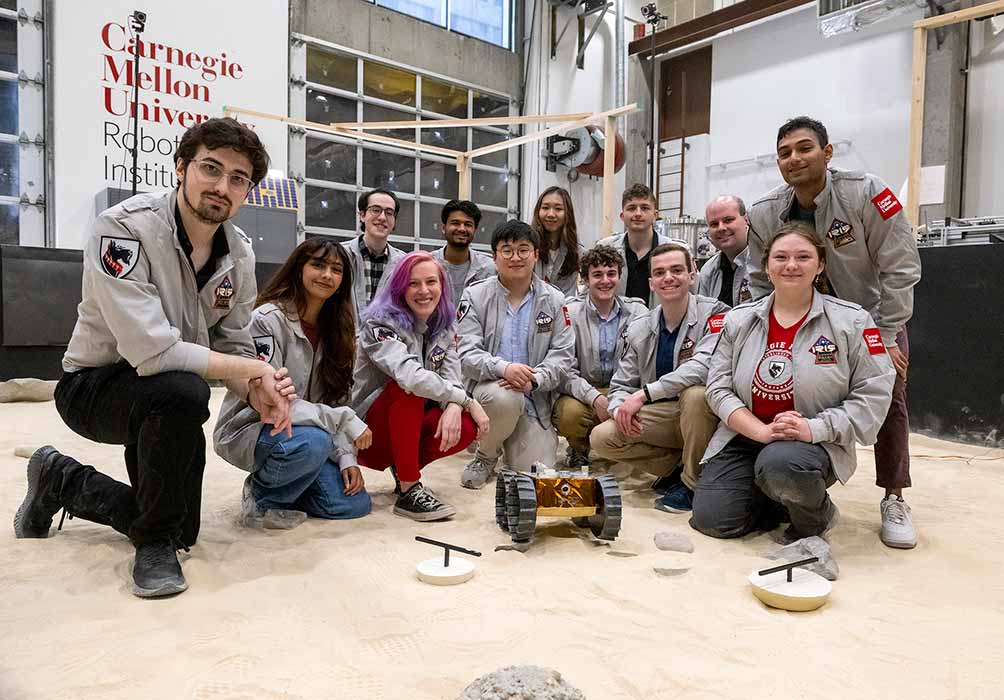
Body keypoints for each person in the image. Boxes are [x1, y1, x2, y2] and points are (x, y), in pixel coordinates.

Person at [13, 118, 296, 598]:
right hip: (94, 387)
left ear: (247, 191)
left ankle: (61, 479)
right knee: (184, 391)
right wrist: (248, 370)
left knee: (184, 530)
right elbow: (151, 351)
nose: (222, 186)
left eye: (238, 178)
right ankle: (152, 543)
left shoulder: (240, 255)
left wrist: (257, 386)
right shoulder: (122, 228)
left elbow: (234, 343)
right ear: (181, 168)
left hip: (164, 394)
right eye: (211, 168)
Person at [746, 116, 922, 549]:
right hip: (798, 319)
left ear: (827, 153)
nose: (794, 159)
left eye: (804, 148)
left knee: (890, 394)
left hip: (871, 319)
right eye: (785, 153)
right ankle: (790, 479)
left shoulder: (866, 192)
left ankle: (894, 495)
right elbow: (757, 277)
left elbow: (900, 268)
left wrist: (884, 335)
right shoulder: (766, 211)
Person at [690, 222, 896, 542]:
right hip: (746, 435)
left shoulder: (853, 321)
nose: (790, 265)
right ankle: (780, 497)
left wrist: (812, 429)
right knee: (713, 520)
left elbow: (874, 395)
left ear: (820, 265)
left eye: (803, 257)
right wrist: (759, 430)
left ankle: (814, 519)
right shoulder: (739, 320)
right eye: (780, 257)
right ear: (766, 266)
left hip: (811, 442)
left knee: (782, 465)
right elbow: (718, 386)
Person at [214, 239, 373, 529]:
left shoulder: (339, 331)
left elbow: (338, 400)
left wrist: (347, 457)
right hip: (256, 427)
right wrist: (344, 420)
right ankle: (262, 496)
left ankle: (290, 484)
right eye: (318, 265)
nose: (327, 275)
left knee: (353, 504)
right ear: (299, 268)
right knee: (314, 443)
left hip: (307, 433)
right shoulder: (266, 320)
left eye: (336, 270)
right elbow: (275, 404)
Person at [591, 243, 728, 513]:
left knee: (696, 395)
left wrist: (644, 395)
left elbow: (703, 367)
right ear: (651, 283)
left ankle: (692, 485)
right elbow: (622, 383)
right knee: (602, 437)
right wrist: (620, 410)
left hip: (709, 415)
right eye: (660, 272)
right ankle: (676, 466)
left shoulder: (716, 314)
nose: (668, 278)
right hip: (667, 416)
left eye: (677, 270)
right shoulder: (641, 327)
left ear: (692, 274)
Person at [352, 251, 490, 520]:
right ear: (399, 288)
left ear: (442, 286)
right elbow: (410, 376)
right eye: (413, 283)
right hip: (368, 431)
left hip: (406, 425)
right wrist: (467, 400)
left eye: (431, 282)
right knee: (410, 391)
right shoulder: (379, 323)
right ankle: (409, 488)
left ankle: (404, 468)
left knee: (466, 425)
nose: (424, 291)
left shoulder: (445, 325)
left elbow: (452, 377)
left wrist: (454, 405)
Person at [457, 220, 576, 489]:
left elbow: (563, 355)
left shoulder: (554, 300)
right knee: (504, 397)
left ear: (536, 255)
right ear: (494, 257)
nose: (515, 258)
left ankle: (507, 440)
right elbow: (465, 354)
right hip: (491, 395)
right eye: (507, 250)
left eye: (524, 250)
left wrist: (536, 379)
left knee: (535, 476)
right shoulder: (474, 296)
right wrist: (503, 368)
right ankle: (486, 455)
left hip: (535, 400)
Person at [552, 245, 647, 468]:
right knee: (569, 414)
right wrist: (594, 397)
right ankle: (579, 448)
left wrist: (620, 398)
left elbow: (641, 365)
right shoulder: (569, 312)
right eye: (597, 275)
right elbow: (564, 369)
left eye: (611, 273)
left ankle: (618, 449)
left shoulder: (638, 312)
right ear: (585, 279)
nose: (605, 280)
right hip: (582, 391)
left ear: (619, 276)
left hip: (624, 389)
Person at [594, 183, 675, 307]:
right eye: (631, 208)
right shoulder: (605, 249)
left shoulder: (674, 251)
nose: (638, 213)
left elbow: (691, 295)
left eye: (645, 208)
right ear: (622, 216)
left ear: (655, 215)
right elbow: (590, 292)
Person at [342, 188, 409, 318]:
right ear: (362, 215)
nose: (382, 217)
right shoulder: (340, 255)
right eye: (376, 210)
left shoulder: (403, 263)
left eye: (389, 213)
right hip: (344, 336)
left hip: (387, 337)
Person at [431, 199, 496, 306]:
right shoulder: (428, 264)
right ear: (443, 228)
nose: (462, 229)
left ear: (475, 230)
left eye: (468, 224)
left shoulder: (489, 268)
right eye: (455, 223)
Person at [698, 195, 752, 307]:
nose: (721, 228)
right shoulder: (708, 271)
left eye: (728, 220)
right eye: (714, 224)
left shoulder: (764, 264)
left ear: (746, 220)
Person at [531, 186, 584, 296]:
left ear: (568, 213)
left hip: (564, 310)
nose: (551, 214)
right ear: (538, 211)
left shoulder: (578, 251)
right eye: (545, 208)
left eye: (558, 209)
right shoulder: (528, 247)